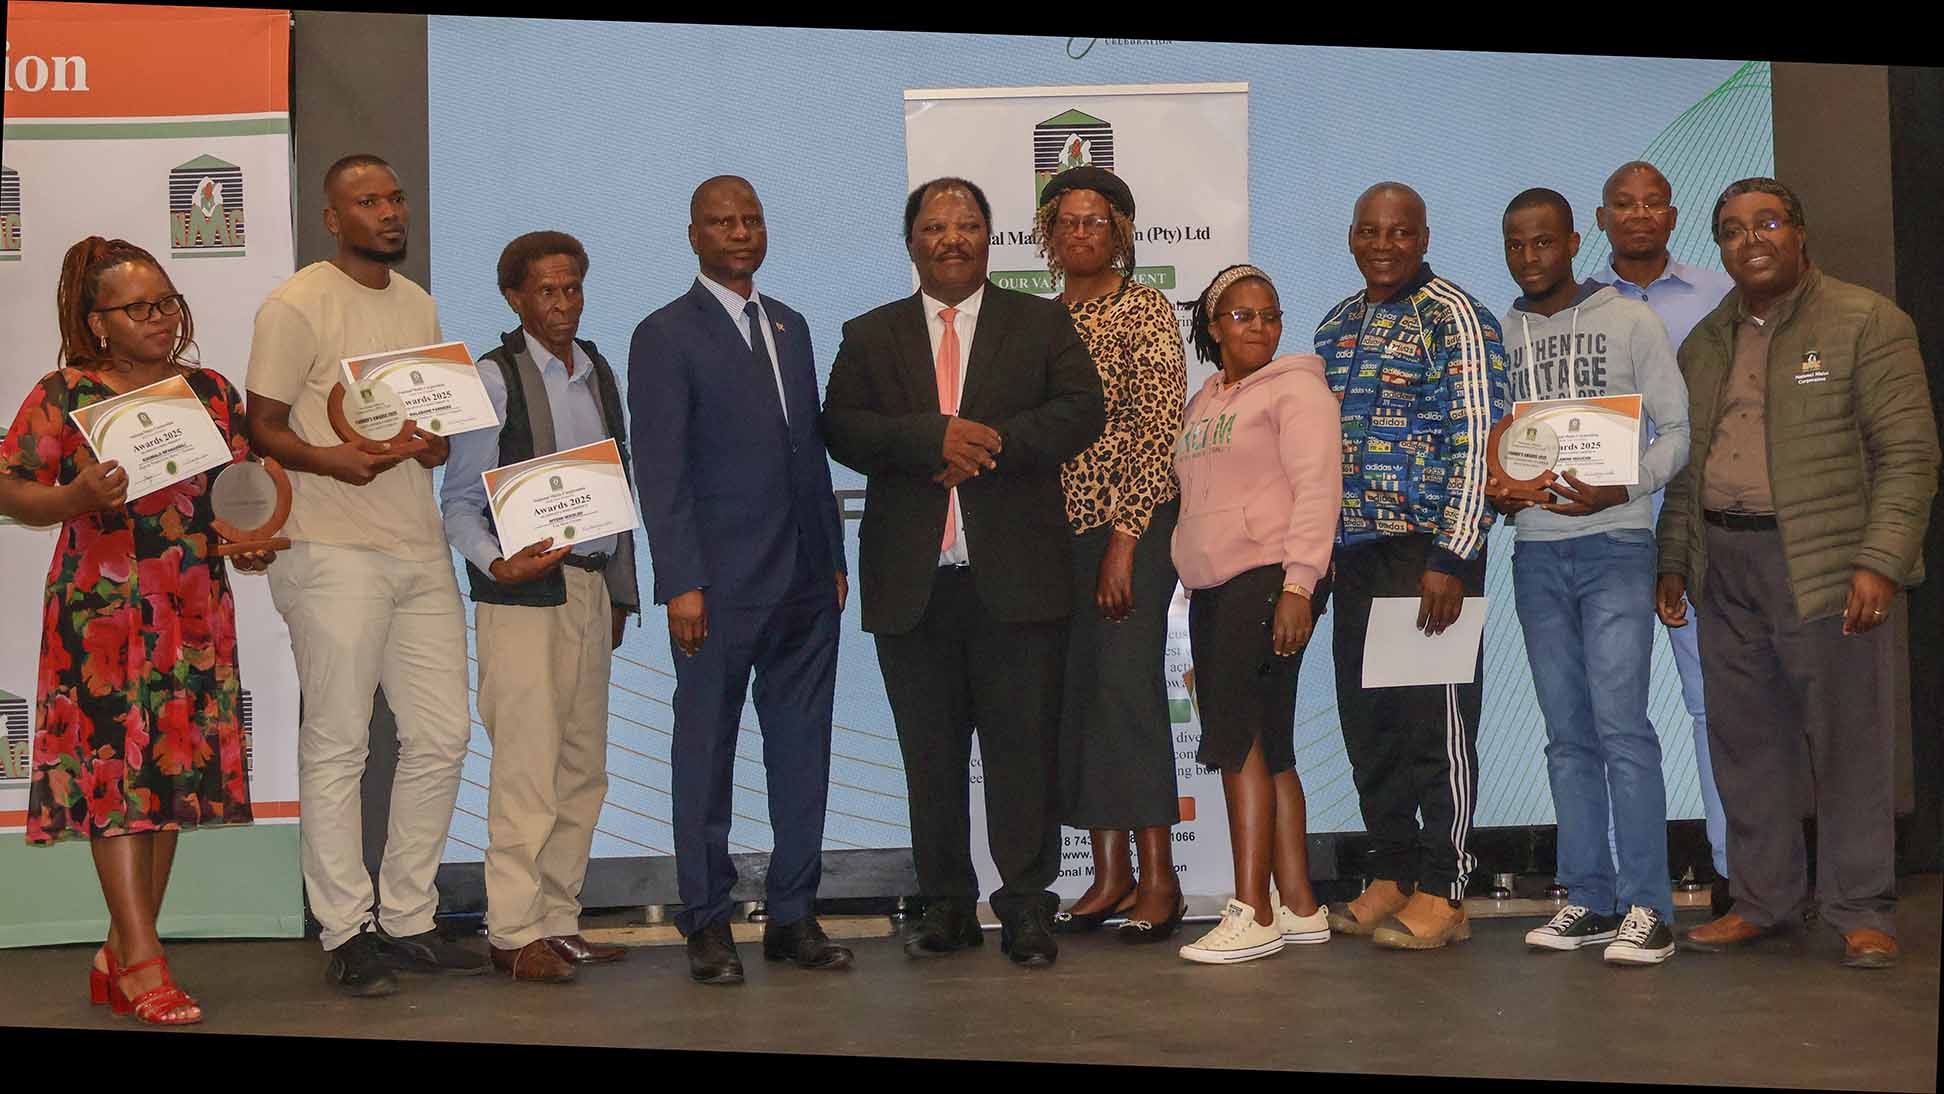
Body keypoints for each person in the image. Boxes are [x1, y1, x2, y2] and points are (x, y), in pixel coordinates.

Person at [1657, 177, 1939, 970]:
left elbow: (1910, 454)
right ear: (1719, 247)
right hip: (1724, 564)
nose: (1752, 239)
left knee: (1849, 742)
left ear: (1800, 233)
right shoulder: (1707, 339)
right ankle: (1764, 900)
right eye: (1733, 229)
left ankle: (1859, 909)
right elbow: (1687, 463)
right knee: (1747, 744)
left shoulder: (1866, 321)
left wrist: (1880, 560)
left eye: (1768, 222)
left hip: (1823, 563)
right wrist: (1674, 557)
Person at [823, 176, 1104, 968]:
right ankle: (945, 905)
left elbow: (1083, 410)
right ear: (910, 239)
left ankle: (1024, 907)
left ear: (990, 238)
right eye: (936, 226)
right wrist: (930, 439)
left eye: (968, 225)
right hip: (915, 586)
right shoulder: (871, 334)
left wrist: (989, 445)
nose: (952, 238)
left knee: (1023, 752)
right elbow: (840, 426)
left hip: (1016, 579)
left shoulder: (1041, 322)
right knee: (931, 756)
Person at [0, 238, 269, 1025]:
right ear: (97, 322)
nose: (161, 318)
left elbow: (241, 498)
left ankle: (117, 952)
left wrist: (247, 544)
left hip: (192, 610)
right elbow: (11, 488)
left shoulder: (211, 393)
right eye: (139, 308)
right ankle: (143, 961)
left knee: (168, 781)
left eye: (167, 302)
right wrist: (75, 494)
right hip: (102, 614)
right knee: (116, 784)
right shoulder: (65, 394)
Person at [245, 154, 486, 996]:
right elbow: (262, 426)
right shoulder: (297, 304)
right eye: (367, 202)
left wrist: (435, 441)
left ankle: (411, 917)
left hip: (417, 545)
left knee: (443, 734)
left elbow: (429, 422)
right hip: (331, 547)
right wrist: (333, 460)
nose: (388, 212)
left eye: (394, 198)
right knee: (340, 744)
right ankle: (347, 930)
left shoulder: (416, 301)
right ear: (332, 218)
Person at [629, 176, 850, 985]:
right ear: (693, 235)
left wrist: (831, 558)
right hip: (716, 590)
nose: (741, 233)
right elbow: (661, 470)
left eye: (752, 219)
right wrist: (680, 580)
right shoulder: (663, 334)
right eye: (722, 222)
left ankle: (795, 915)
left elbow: (808, 452)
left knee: (804, 756)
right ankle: (708, 923)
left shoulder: (789, 326)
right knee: (706, 755)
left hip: (803, 583)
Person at [1492, 189, 1689, 966]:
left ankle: (1650, 906)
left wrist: (1627, 485)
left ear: (1575, 240)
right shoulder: (1500, 332)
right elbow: (1494, 439)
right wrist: (1498, 483)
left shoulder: (1630, 320)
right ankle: (1590, 899)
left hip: (1614, 545)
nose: (1530, 256)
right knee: (1566, 737)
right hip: (1535, 551)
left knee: (1622, 728)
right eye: (1515, 244)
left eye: (1543, 242)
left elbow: (1677, 431)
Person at [1312, 182, 1510, 950]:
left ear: (1424, 237)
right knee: (1375, 728)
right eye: (1370, 231)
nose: (1384, 244)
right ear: (1353, 236)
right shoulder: (1336, 326)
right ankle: (1392, 872)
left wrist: (1453, 556)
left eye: (1399, 232)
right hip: (1355, 557)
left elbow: (1477, 436)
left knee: (1438, 727)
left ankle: (1444, 889)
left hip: (1427, 554)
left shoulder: (1453, 317)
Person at [440, 231, 638, 983]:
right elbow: (458, 503)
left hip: (589, 589)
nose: (562, 304)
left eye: (573, 289)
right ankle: (511, 930)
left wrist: (619, 591)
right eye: (546, 291)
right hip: (521, 596)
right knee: (527, 765)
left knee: (582, 767)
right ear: (515, 298)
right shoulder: (493, 380)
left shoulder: (598, 372)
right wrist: (499, 561)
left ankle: (558, 919)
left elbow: (617, 493)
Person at [1029, 166, 1187, 941]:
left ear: (1121, 232)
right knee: (1082, 700)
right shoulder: (1040, 320)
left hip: (1134, 527)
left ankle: (1161, 879)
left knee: (1126, 694)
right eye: (1068, 222)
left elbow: (1158, 430)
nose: (1082, 233)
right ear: (1047, 235)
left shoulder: (1147, 310)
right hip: (1060, 538)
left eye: (1097, 222)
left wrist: (1125, 542)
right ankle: (1109, 876)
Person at [1170, 265, 1340, 965]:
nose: (1260, 327)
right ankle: (1300, 905)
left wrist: (1299, 585)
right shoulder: (1205, 399)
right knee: (1270, 739)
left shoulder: (1298, 387)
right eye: (1243, 317)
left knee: (1238, 735)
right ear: (1214, 326)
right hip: (1218, 587)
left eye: (1270, 315)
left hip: (1270, 576)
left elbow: (1317, 488)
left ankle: (1252, 909)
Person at [1589, 160, 1737, 915]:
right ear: (1601, 217)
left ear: (1672, 217)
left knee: (1713, 702)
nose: (1639, 215)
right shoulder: (1580, 309)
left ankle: (1732, 871)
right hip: (1605, 533)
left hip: (1699, 531)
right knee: (1612, 714)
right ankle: (1623, 884)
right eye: (1624, 204)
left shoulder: (1720, 296)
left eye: (1653, 204)